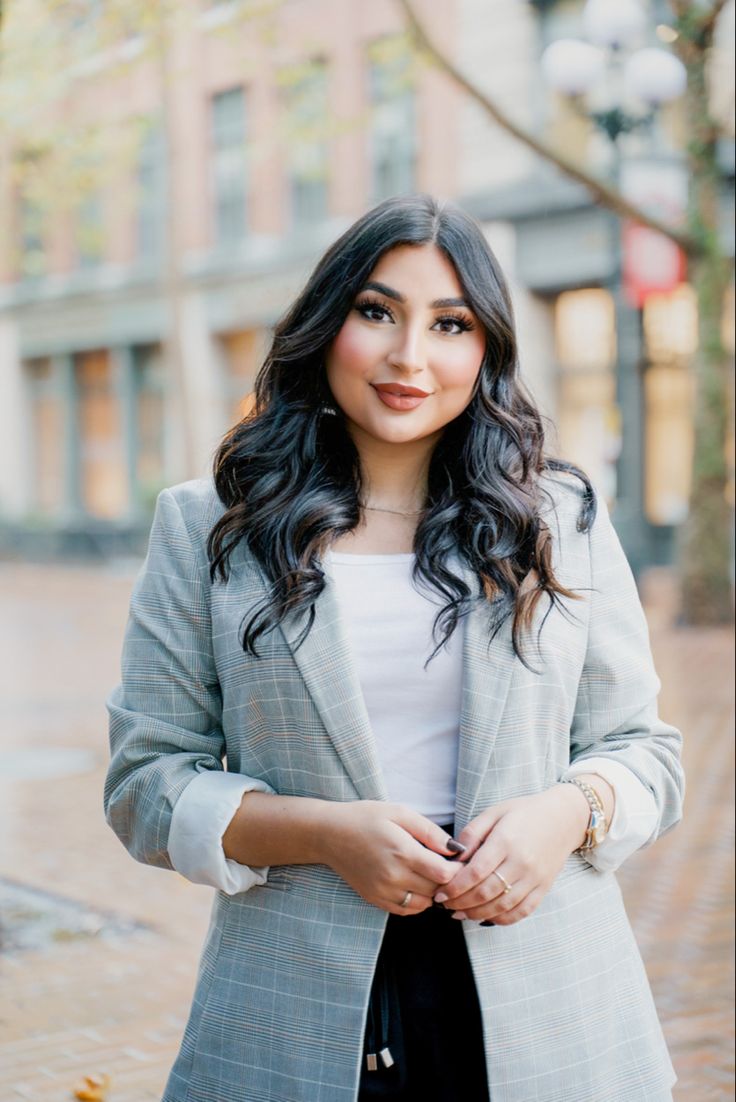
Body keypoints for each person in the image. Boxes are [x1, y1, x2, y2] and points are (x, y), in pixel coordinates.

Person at [104, 194, 685, 1102]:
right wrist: (325, 835)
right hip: (291, 1007)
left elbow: (647, 753)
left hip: (552, 1002)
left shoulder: (559, 520)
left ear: (485, 349)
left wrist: (564, 815)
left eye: (450, 324)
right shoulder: (210, 526)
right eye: (377, 312)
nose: (410, 356)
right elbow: (145, 784)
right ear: (326, 324)